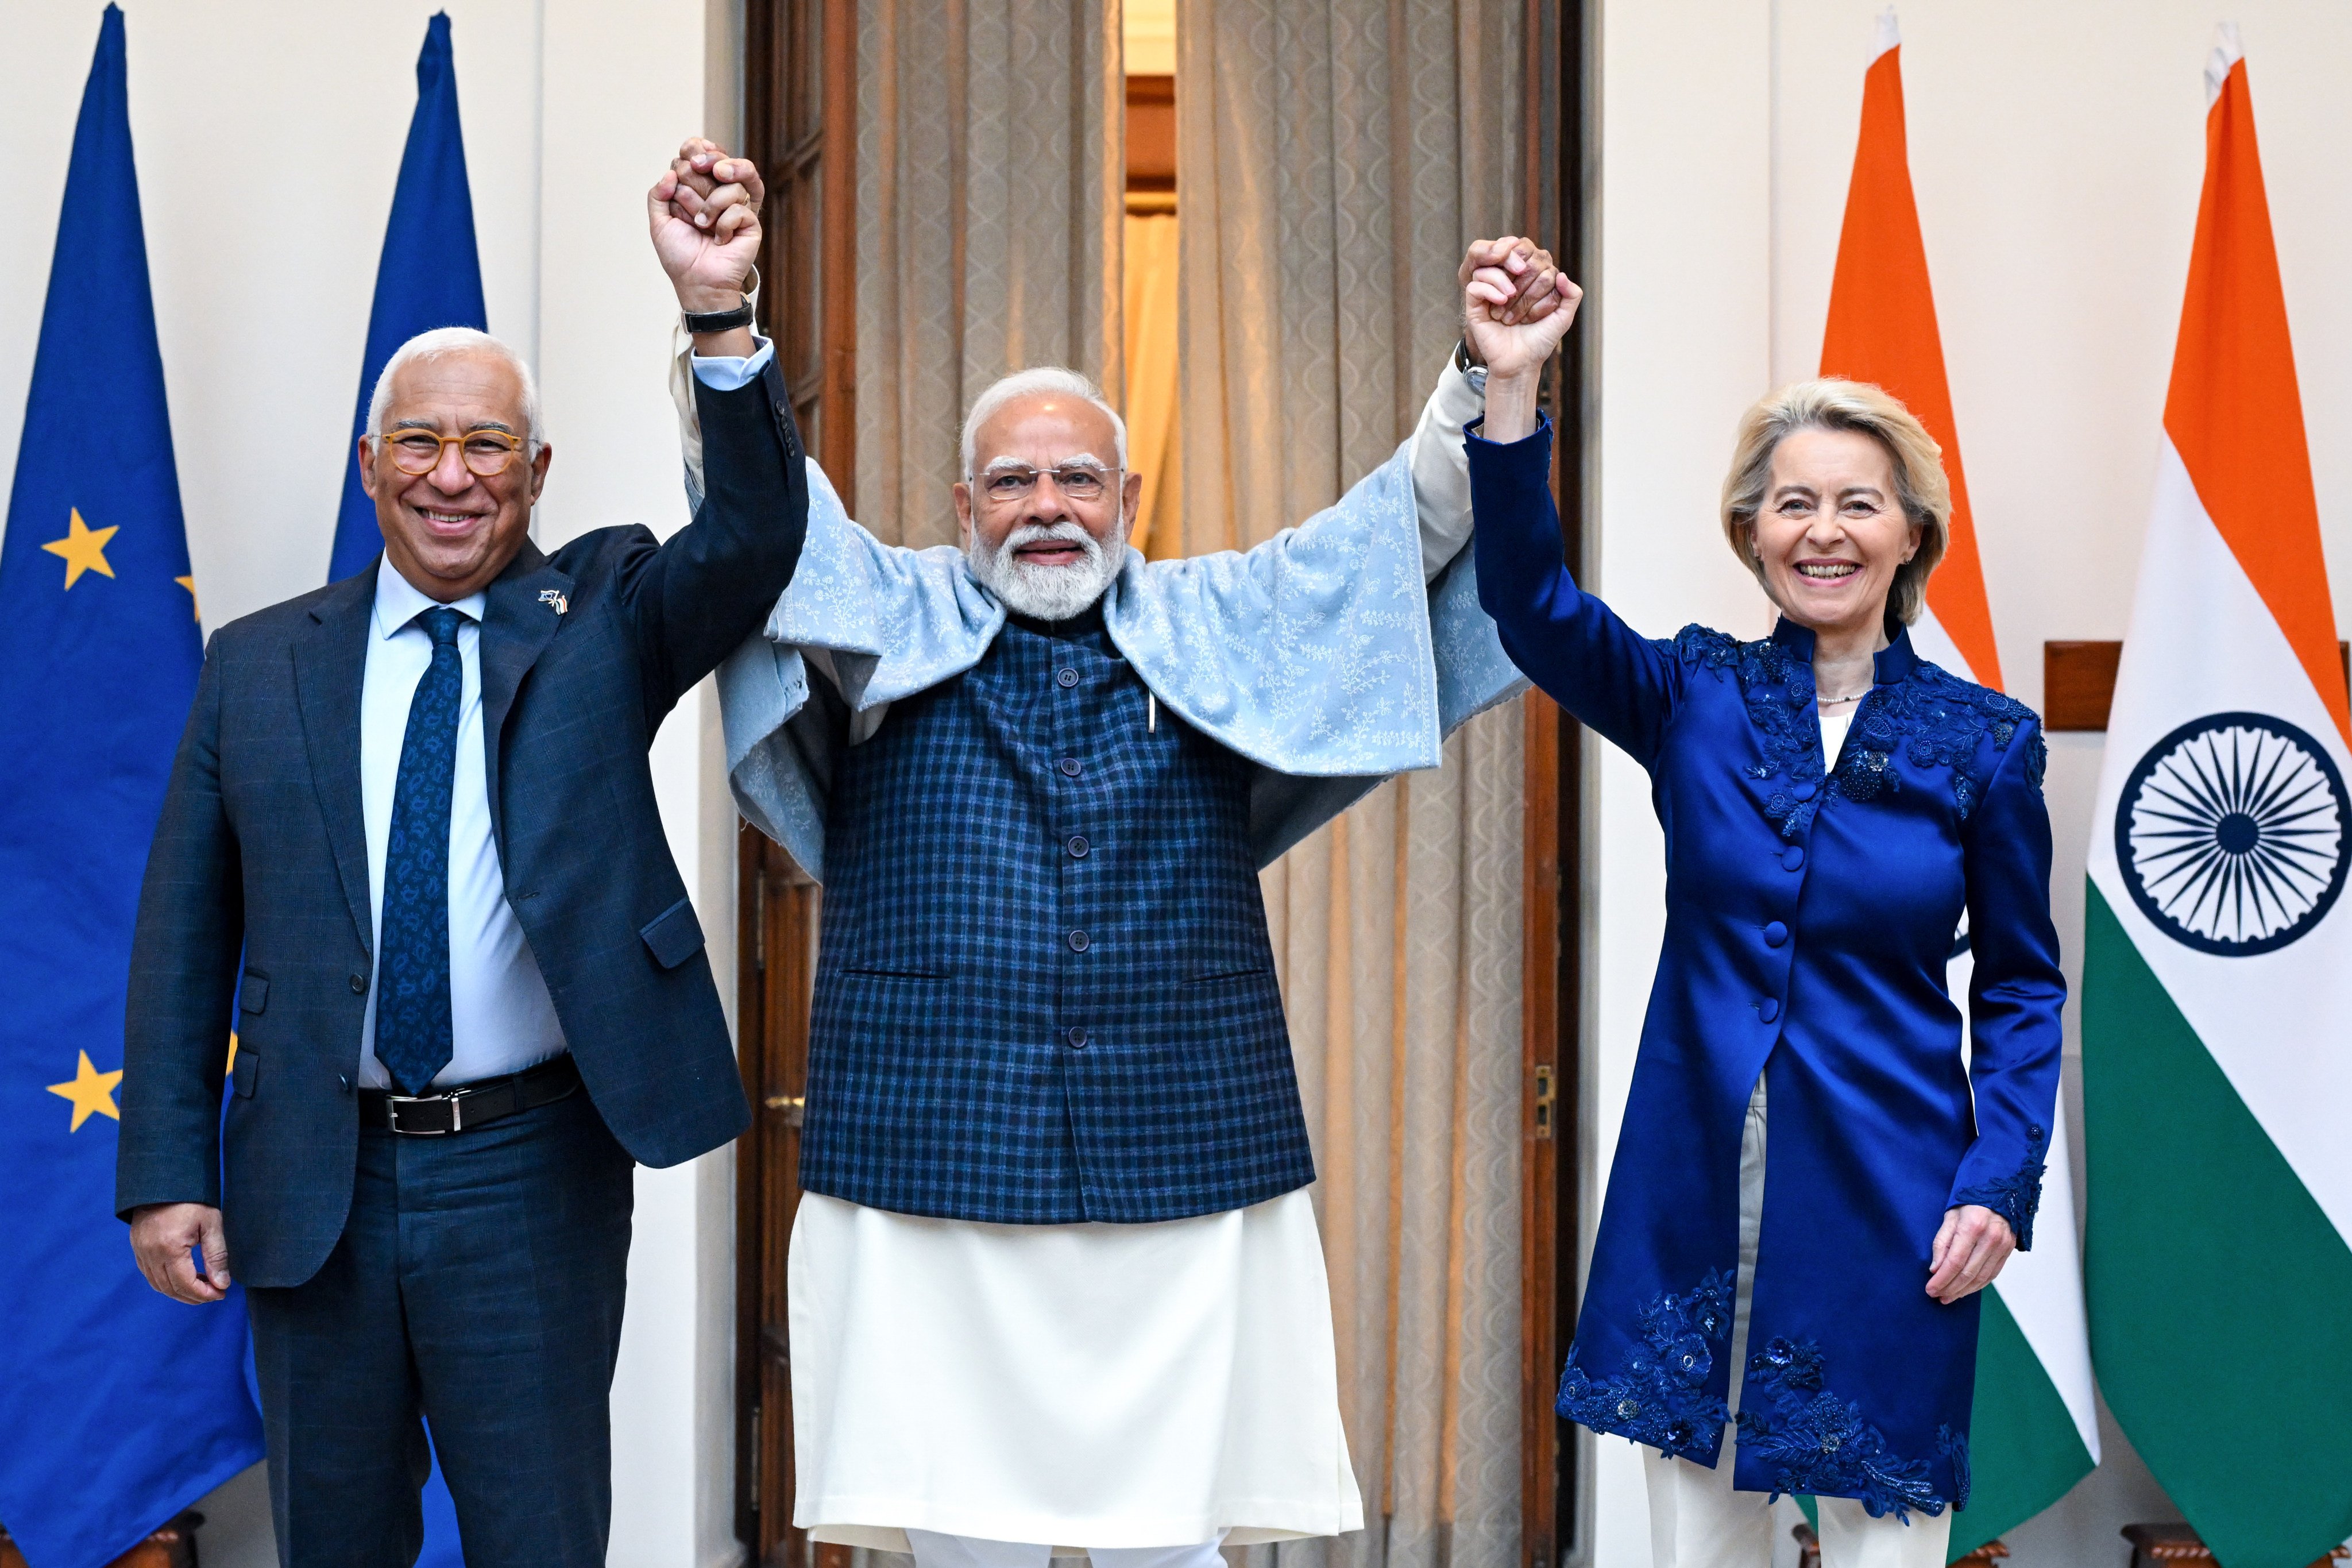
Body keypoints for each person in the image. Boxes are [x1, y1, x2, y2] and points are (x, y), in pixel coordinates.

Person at [660, 140, 1561, 1568]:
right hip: (927, 1164)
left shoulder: (1218, 616)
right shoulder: (882, 607)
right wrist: (722, 316)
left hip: (1183, 1161)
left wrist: (1487, 375)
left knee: (1171, 1544)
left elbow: (1402, 529)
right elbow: (769, 521)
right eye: (1008, 483)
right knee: (959, 1539)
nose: (1045, 508)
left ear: (1128, 502)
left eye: (1078, 478)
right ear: (961, 514)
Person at [114, 156, 808, 1566]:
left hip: (530, 1169)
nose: (451, 476)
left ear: (535, 473)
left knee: (540, 1536)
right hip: (317, 1179)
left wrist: (718, 316)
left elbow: (751, 539)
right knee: (337, 1542)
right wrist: (167, 1168)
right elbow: (185, 932)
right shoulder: (257, 667)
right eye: (418, 445)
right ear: (368, 467)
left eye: (487, 447)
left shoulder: (605, 609)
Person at [1465, 280, 2064, 1563]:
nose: (1823, 530)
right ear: (1750, 532)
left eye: (1857, 502)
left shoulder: (1984, 745)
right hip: (1692, 1193)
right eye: (1792, 502)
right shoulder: (1692, 693)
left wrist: (1997, 1183)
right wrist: (1509, 385)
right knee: (1696, 1546)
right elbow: (1528, 605)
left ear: (1911, 534)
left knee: (1884, 1539)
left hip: (1892, 1198)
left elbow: (2020, 984)